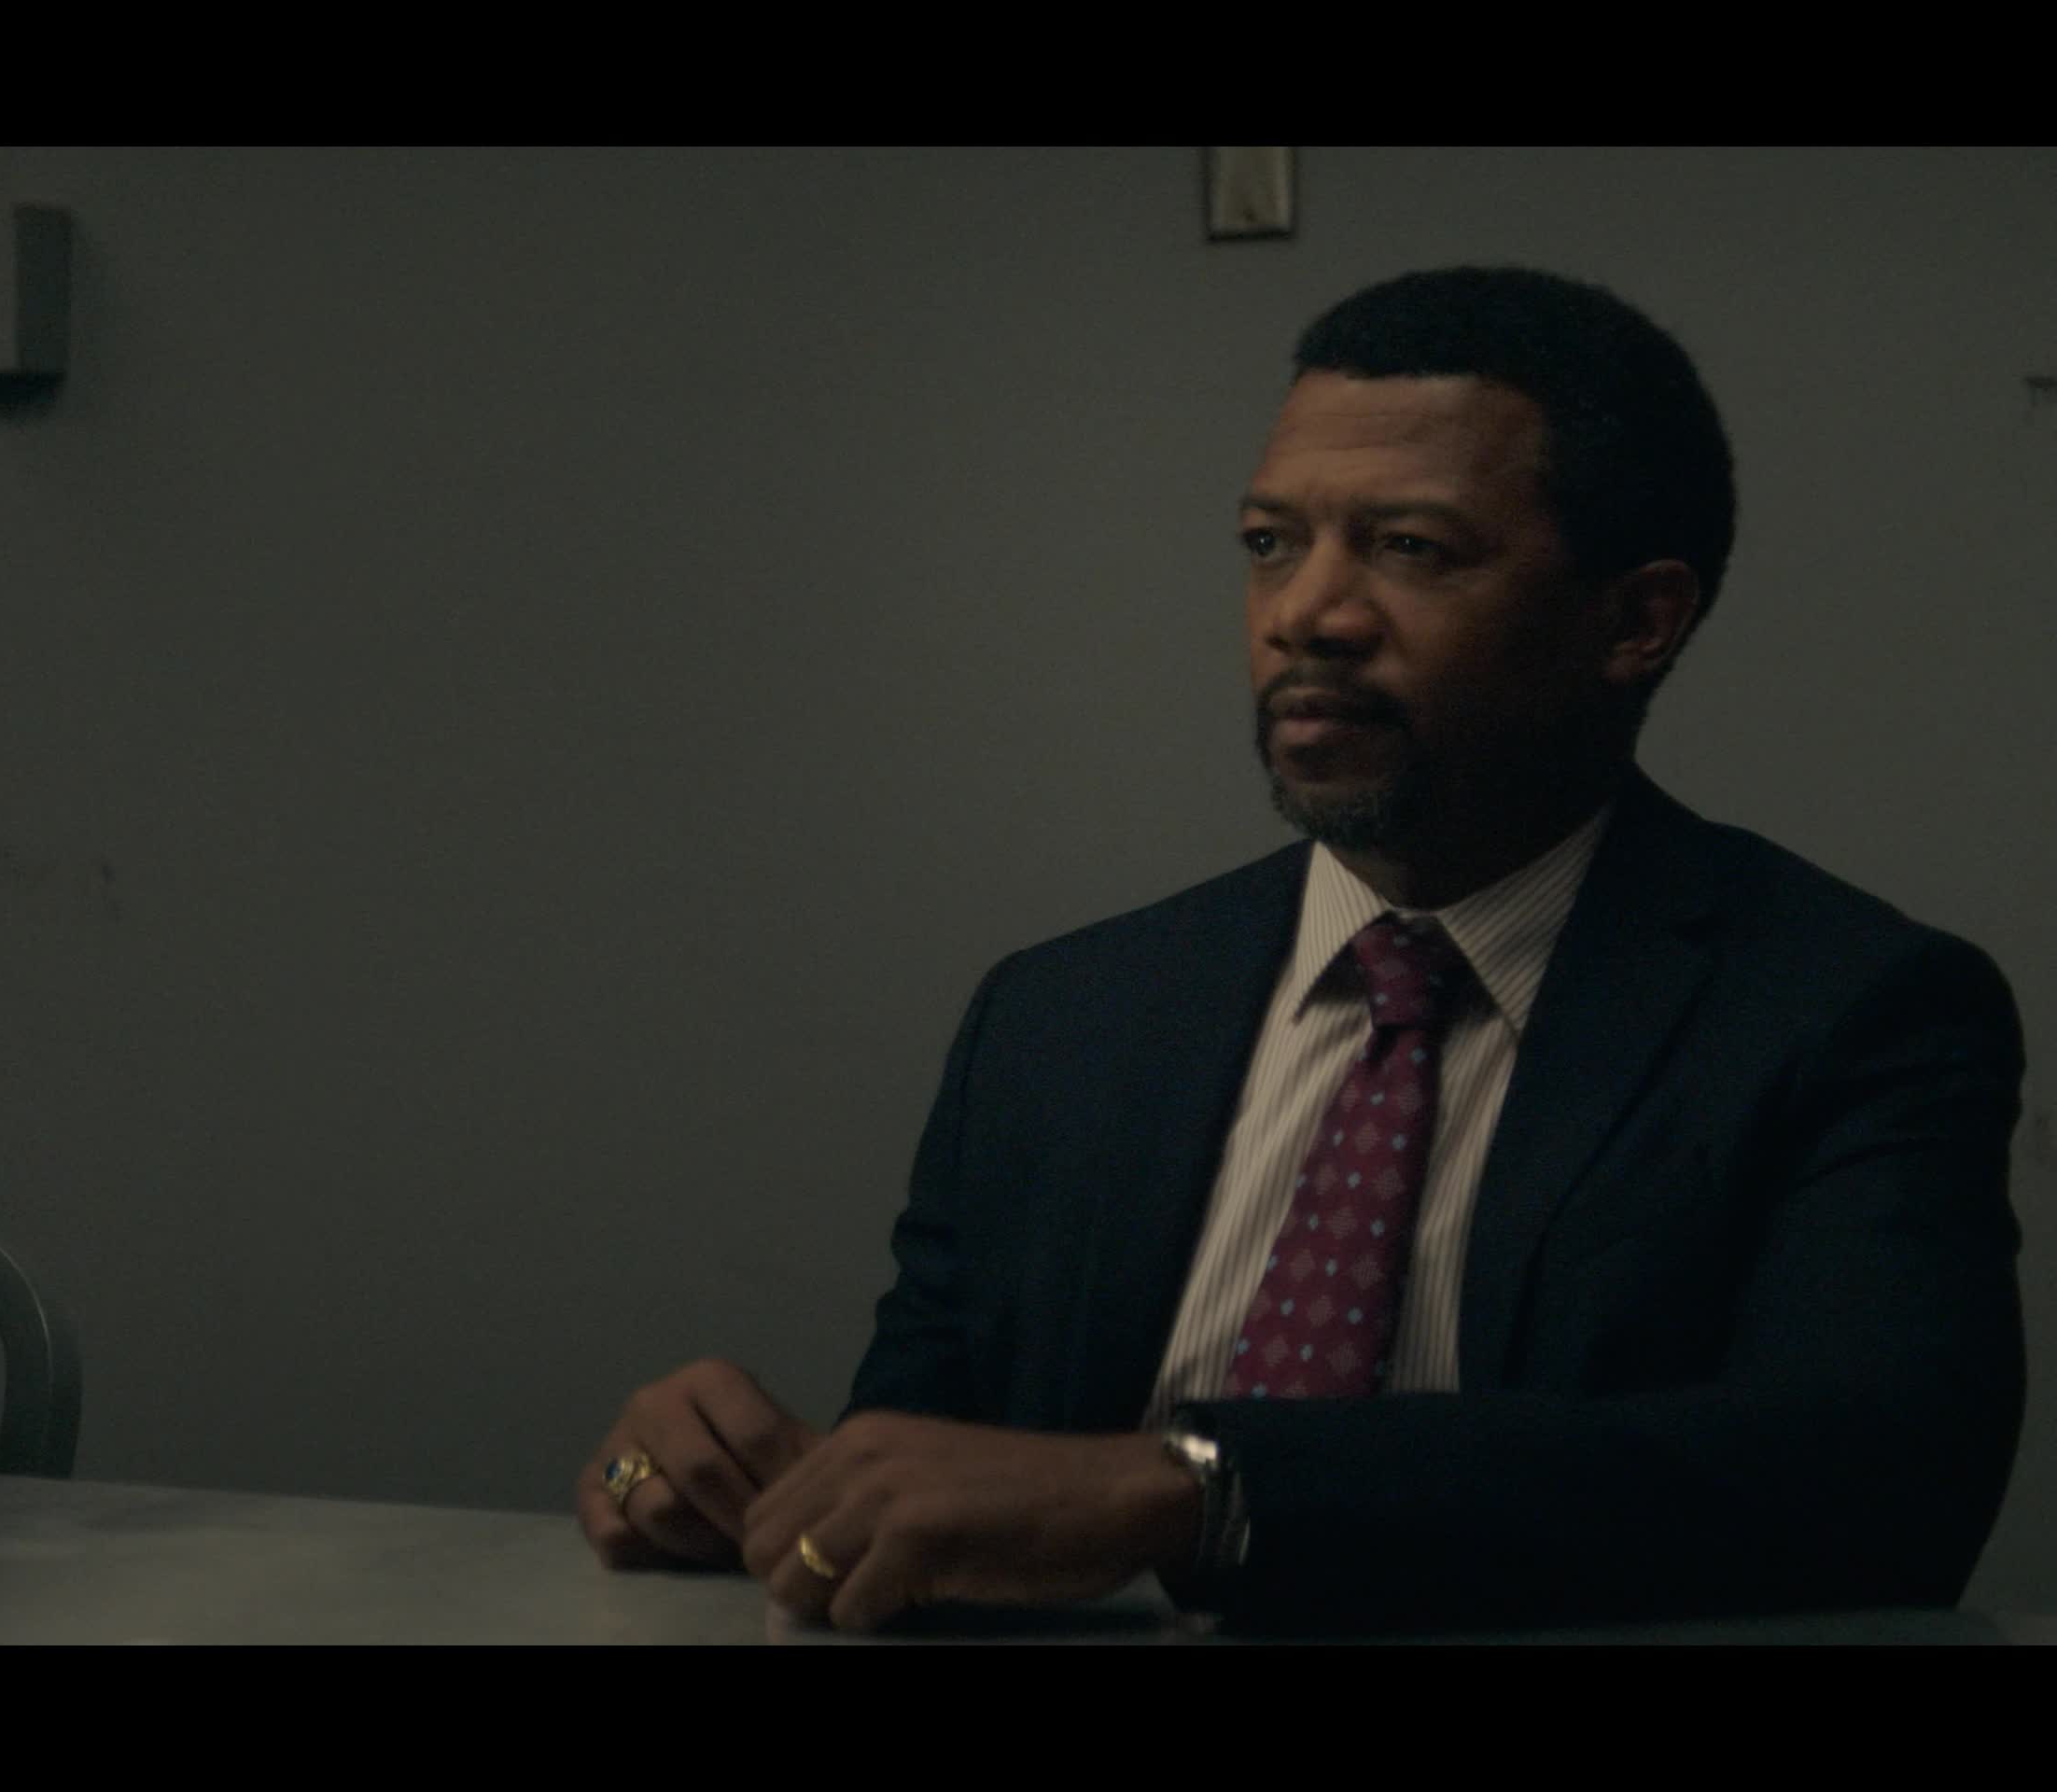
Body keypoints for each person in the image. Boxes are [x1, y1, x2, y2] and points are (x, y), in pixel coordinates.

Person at [579, 266, 2026, 1632]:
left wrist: (1203, 1491)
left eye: (1410, 549)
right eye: (1273, 543)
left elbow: (1879, 1488)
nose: (1307, 616)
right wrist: (735, 1493)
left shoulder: (1848, 1008)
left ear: (1637, 620)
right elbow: (927, 1481)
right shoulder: (1061, 1018)